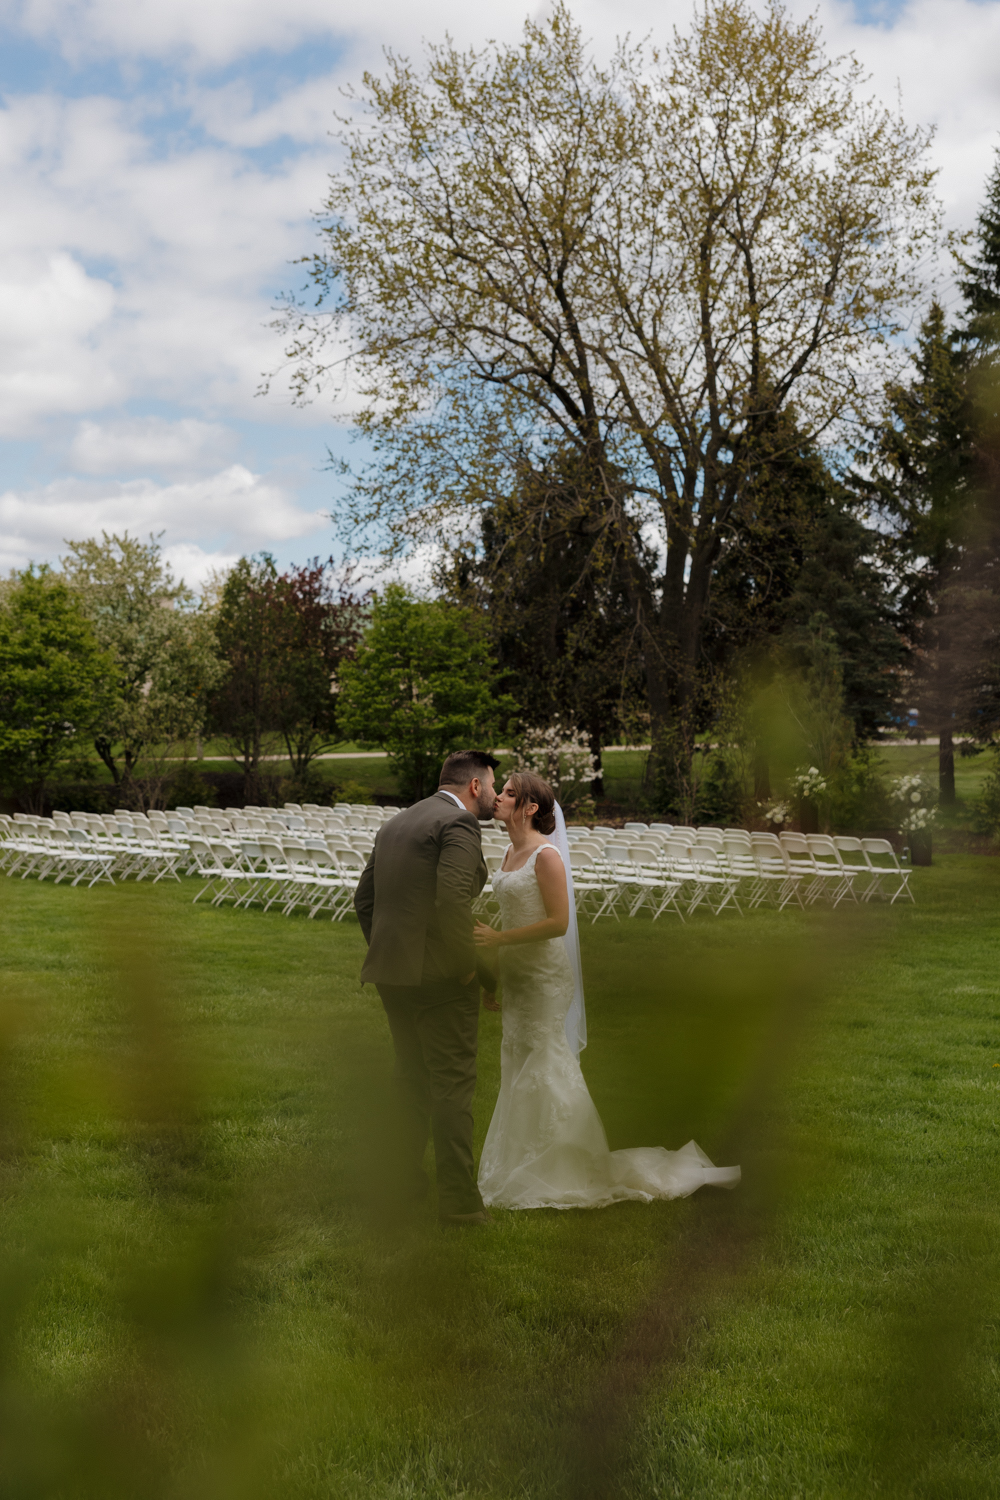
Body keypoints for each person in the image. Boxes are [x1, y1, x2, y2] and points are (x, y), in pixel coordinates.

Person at [474, 771, 740, 1210]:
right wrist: (495, 976)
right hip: (519, 978)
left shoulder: (546, 857)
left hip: (544, 978)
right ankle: (518, 1161)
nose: (497, 797)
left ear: (530, 807)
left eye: (506, 792)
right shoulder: (507, 851)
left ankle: (569, 1165)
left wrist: (499, 941)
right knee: (517, 1062)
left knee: (546, 1062)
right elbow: (515, 916)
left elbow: (558, 923)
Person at [354, 749, 499, 1226]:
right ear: (474, 786)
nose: (496, 796)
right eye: (492, 786)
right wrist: (466, 969)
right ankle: (459, 1204)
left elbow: (365, 900)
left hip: (391, 975)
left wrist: (389, 952)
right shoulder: (458, 825)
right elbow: (453, 900)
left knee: (410, 1078)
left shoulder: (397, 822)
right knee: (453, 1087)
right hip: (441, 978)